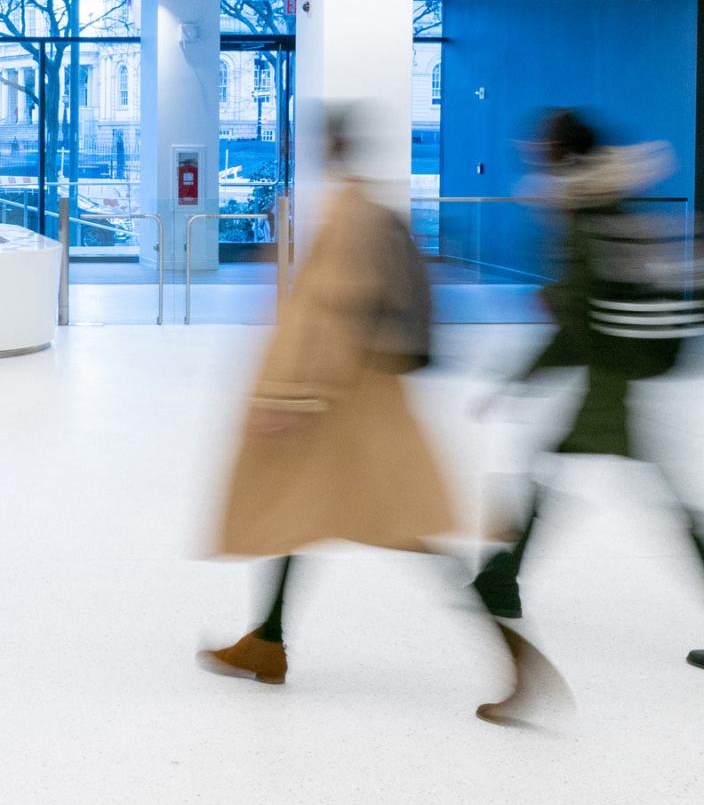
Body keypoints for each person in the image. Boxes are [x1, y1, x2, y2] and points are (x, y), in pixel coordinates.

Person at [197, 105, 557, 726]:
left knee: (409, 536)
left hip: (346, 414)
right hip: (354, 409)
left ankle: (521, 664)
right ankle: (267, 642)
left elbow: (330, 320)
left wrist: (289, 398)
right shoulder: (360, 210)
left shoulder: (350, 218)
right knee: (301, 514)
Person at [471, 109, 704, 669]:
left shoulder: (582, 211)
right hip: (618, 370)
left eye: (543, 139)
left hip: (611, 377)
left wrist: (527, 373)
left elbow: (577, 319)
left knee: (638, 489)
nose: (532, 146)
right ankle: (502, 578)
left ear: (560, 150)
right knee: (569, 468)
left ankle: (502, 578)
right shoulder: (605, 200)